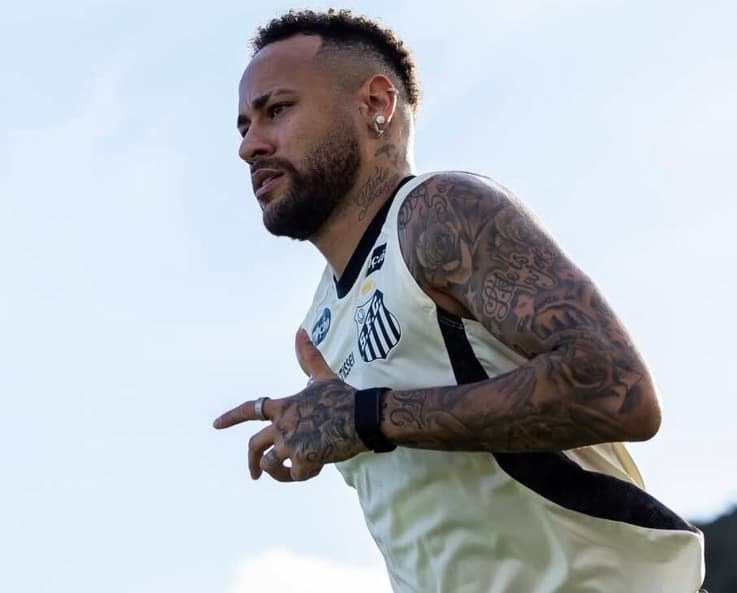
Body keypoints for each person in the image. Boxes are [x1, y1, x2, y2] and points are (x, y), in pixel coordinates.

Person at [214, 8, 706, 593]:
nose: (250, 145)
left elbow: (617, 390)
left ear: (376, 104)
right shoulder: (318, 325)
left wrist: (367, 416)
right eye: (243, 125)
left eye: (277, 110)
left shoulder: (436, 213)